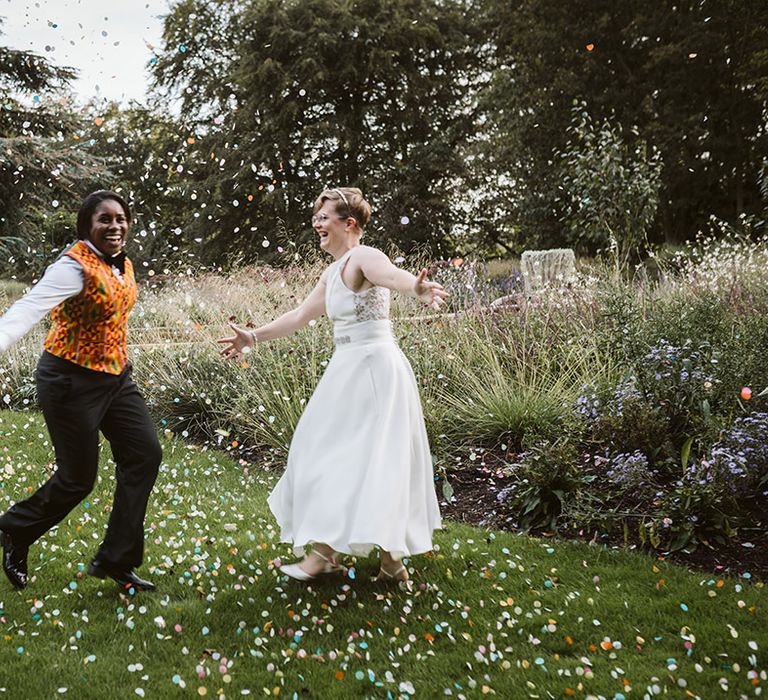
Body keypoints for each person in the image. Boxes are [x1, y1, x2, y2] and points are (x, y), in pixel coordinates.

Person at [218, 187, 446, 582]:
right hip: (347, 367)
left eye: (324, 218)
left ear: (349, 224)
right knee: (326, 451)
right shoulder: (332, 271)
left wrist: (417, 288)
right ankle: (387, 563)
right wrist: (252, 337)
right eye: (316, 218)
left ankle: (331, 554)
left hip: (375, 368)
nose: (316, 224)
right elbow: (301, 314)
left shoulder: (364, 256)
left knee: (368, 458)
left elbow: (392, 276)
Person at [0, 190, 162, 592]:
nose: (115, 226)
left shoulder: (123, 263)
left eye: (121, 218)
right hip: (69, 379)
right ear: (87, 225)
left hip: (115, 378)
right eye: (104, 219)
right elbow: (29, 308)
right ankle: (14, 531)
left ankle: (117, 558)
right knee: (77, 479)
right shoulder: (72, 267)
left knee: (144, 453)